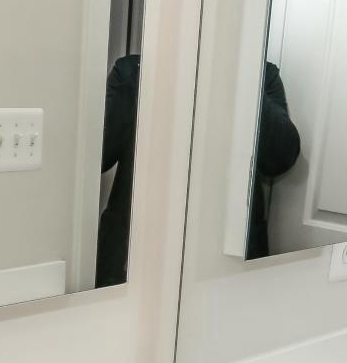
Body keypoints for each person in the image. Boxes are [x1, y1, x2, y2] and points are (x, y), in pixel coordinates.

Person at [95, 55, 302, 284]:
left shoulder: (261, 75)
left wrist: (245, 79)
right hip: (138, 241)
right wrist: (138, 83)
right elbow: (99, 157)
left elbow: (280, 158)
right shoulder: (132, 71)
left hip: (228, 247)